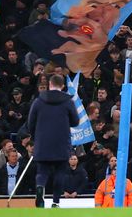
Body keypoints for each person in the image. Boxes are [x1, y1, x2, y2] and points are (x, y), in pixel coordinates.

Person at [25, 72, 79, 207]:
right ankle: (55, 202)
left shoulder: (38, 101)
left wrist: (36, 136)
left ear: (49, 84)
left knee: (42, 171)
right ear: (62, 86)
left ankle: (40, 188)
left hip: (43, 143)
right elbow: (76, 121)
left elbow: (30, 123)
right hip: (61, 143)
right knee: (60, 172)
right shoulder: (68, 101)